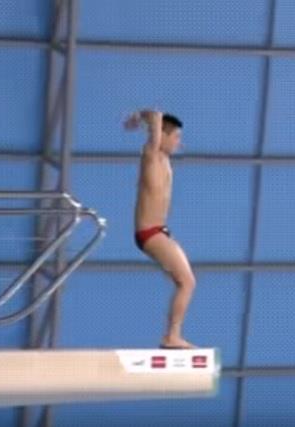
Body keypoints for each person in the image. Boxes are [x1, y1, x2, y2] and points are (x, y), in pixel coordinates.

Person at [124, 109, 197, 349]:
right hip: (150, 233)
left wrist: (154, 125)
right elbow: (156, 114)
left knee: (186, 282)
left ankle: (172, 335)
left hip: (159, 231)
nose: (179, 142)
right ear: (162, 135)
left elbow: (160, 123)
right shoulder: (152, 155)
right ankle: (171, 336)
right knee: (187, 282)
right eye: (175, 137)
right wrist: (139, 117)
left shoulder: (164, 159)